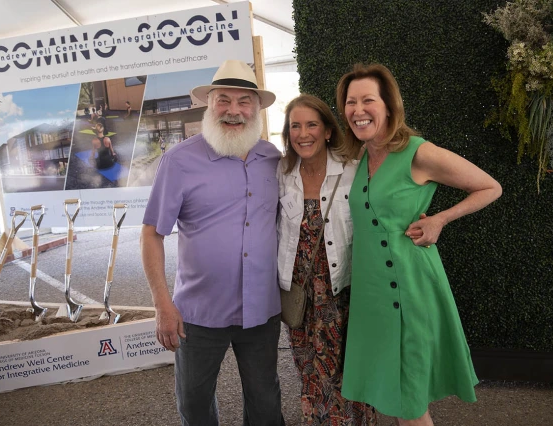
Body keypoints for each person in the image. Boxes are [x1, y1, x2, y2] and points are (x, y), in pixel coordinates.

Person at [335, 63, 502, 426]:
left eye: (368, 100)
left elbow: (490, 187)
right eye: (350, 102)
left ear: (389, 105)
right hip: (372, 291)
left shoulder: (418, 152)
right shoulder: (362, 155)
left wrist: (439, 219)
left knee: (408, 397)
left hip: (407, 284)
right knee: (389, 392)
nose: (358, 110)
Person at [140, 59, 285, 426]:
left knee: (266, 404)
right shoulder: (179, 161)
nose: (234, 111)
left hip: (261, 310)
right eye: (224, 100)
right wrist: (162, 305)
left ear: (256, 108)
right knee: (195, 404)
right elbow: (152, 233)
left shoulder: (273, 159)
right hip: (199, 314)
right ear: (209, 104)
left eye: (244, 101)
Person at [277, 94, 378, 425]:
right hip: (300, 296)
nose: (303, 134)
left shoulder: (351, 170)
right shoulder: (281, 173)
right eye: (295, 126)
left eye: (311, 125)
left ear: (328, 131)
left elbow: (382, 208)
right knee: (309, 370)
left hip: (342, 290)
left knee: (346, 369)